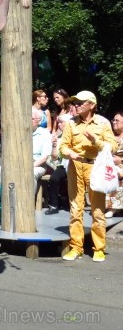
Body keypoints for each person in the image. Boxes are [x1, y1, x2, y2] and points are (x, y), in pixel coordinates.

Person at [59, 90, 117, 262]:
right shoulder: (70, 124)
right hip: (75, 166)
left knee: (97, 210)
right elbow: (62, 146)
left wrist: (96, 141)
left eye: (80, 103)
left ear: (91, 105)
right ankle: (76, 247)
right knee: (75, 208)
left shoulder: (102, 123)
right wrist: (69, 153)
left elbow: (113, 146)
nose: (75, 105)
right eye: (75, 103)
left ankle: (98, 248)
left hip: (95, 166)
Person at [105, 111, 123, 218]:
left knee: (118, 175)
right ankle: (106, 205)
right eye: (113, 120)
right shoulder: (110, 137)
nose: (114, 122)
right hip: (110, 165)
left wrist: (120, 161)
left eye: (117, 120)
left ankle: (113, 208)